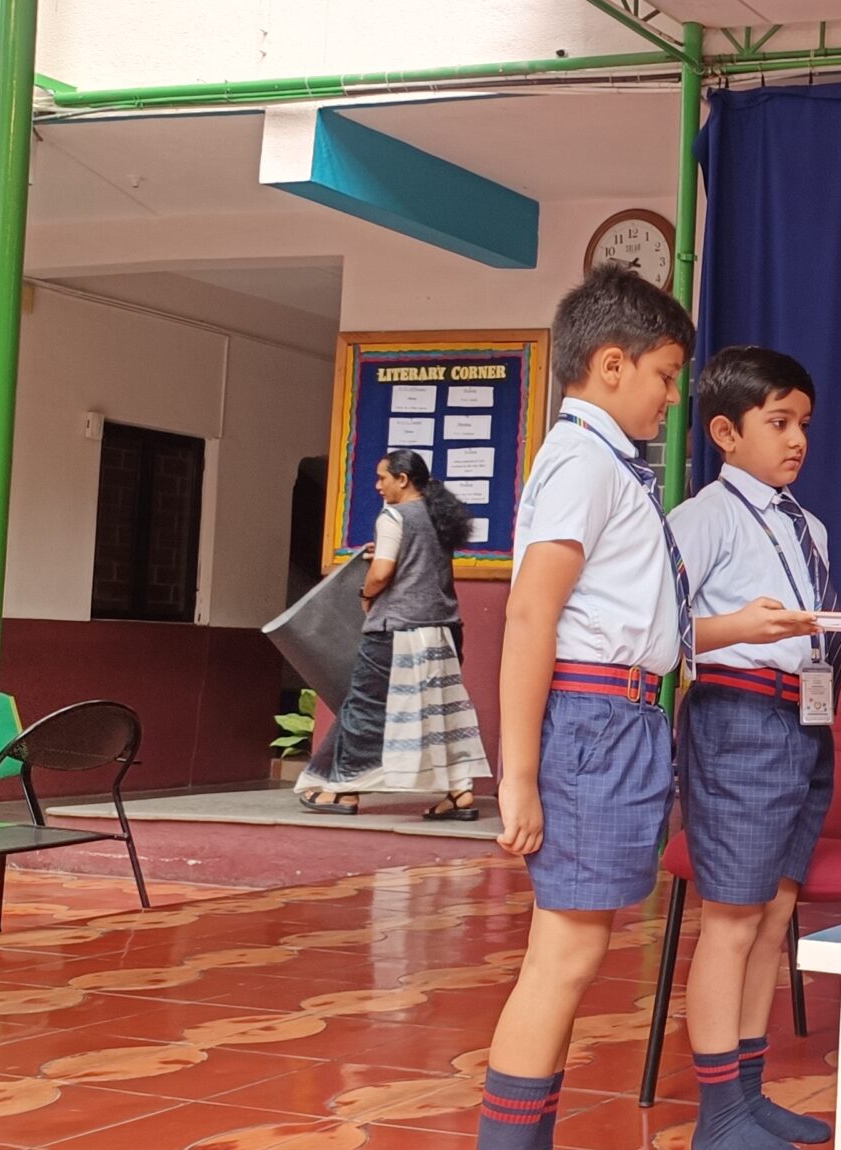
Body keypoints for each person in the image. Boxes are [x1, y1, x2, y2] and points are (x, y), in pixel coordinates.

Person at [472, 266, 702, 1150]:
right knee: (563, 957)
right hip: (594, 723)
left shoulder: (603, 463)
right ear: (612, 365)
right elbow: (533, 613)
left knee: (573, 953)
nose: (672, 398)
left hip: (620, 719)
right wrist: (518, 777)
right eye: (665, 375)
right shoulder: (582, 462)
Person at [671, 347, 841, 1149]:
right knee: (732, 919)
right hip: (739, 719)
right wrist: (739, 627)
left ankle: (749, 1091)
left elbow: (816, 639)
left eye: (804, 424)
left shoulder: (809, 525)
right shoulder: (703, 518)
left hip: (805, 720)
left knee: (774, 916)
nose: (797, 439)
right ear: (726, 433)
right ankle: (718, 1113)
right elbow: (656, 629)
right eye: (778, 422)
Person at [295, 449, 489, 819]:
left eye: (383, 478)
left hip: (397, 631)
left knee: (364, 708)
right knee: (443, 711)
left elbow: (382, 572)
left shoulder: (393, 516)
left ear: (403, 479)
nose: (378, 485)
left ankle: (343, 791)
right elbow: (418, 559)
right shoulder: (440, 517)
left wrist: (366, 594)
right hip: (444, 630)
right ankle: (459, 792)